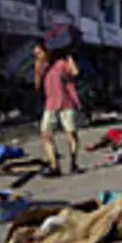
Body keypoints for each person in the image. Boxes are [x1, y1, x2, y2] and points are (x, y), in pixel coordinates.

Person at [40, 48, 82, 177]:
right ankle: (54, 166)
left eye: (39, 53)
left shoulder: (61, 63)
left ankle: (73, 164)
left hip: (66, 103)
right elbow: (37, 84)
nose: (39, 56)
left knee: (71, 134)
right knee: (45, 134)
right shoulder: (45, 67)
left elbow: (75, 72)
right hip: (51, 104)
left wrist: (70, 58)